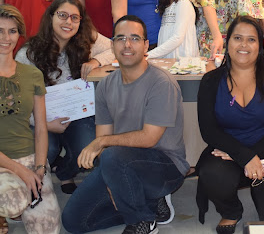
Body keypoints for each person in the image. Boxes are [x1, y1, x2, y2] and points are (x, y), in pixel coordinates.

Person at [62, 15, 189, 234]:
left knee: (112, 155)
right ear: (112, 46)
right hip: (119, 163)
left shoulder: (161, 82)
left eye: (135, 38)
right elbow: (104, 141)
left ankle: (143, 221)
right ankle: (147, 203)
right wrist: (113, 181)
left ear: (146, 45)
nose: (127, 44)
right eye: (120, 39)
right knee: (74, 221)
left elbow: (149, 138)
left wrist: (101, 144)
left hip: (165, 166)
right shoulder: (105, 85)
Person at [196, 16, 264, 233]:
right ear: (228, 43)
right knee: (213, 175)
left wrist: (253, 156)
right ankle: (231, 211)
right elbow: (208, 130)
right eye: (237, 38)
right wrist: (244, 156)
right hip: (229, 153)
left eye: (251, 39)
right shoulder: (211, 81)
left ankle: (262, 192)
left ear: (260, 45)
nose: (244, 45)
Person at [0, 5, 60, 234]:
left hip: (31, 159)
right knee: (12, 202)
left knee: (48, 230)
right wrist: (21, 172)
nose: (6, 38)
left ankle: (14, 201)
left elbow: (41, 129)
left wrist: (39, 168)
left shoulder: (32, 75)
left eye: (12, 31)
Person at [16, 0, 115, 194]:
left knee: (88, 147)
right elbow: (17, 101)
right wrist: (43, 123)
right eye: (62, 15)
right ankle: (47, 169)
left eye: (74, 18)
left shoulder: (86, 41)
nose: (68, 22)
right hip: (42, 118)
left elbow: (114, 48)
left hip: (77, 115)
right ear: (51, 17)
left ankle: (64, 171)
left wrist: (95, 61)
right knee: (48, 150)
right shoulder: (28, 54)